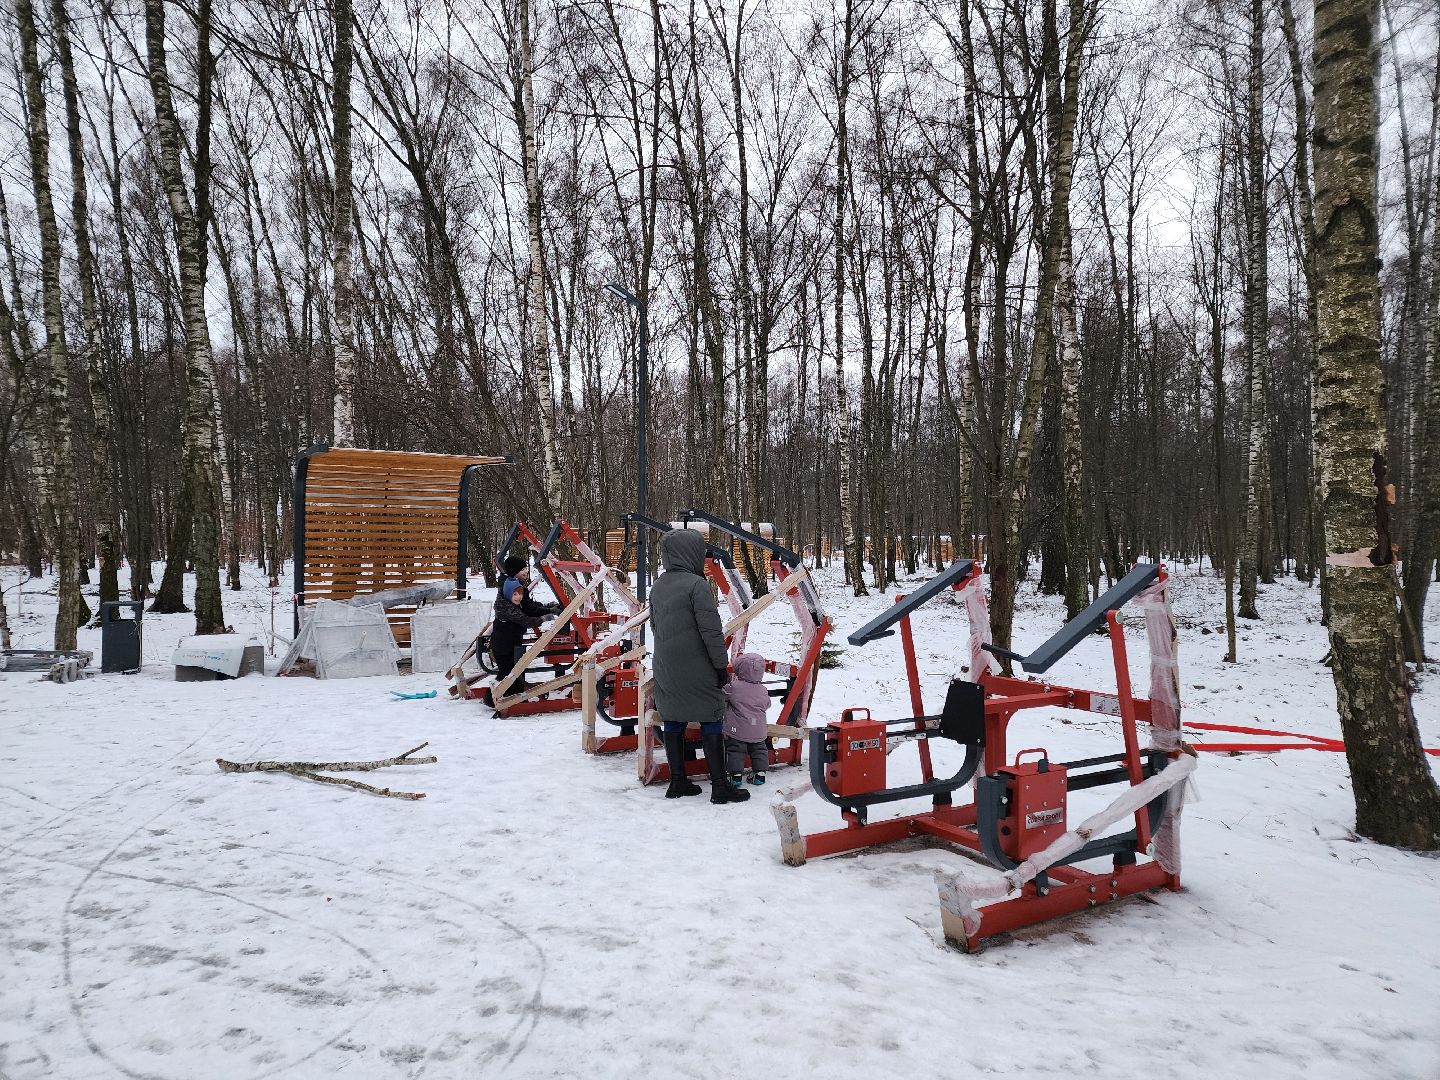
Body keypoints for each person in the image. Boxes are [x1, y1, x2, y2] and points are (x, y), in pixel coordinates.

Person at [648, 528, 749, 803]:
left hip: (666, 666)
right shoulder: (697, 585)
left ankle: (678, 781)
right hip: (698, 666)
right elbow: (711, 631)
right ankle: (720, 785)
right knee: (711, 718)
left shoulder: (658, 585)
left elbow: (655, 626)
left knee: (673, 719)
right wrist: (720, 667)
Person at [489, 555, 560, 692]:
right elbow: (527, 613)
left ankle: (504, 695)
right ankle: (500, 697)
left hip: (509, 639)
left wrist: (547, 607)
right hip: (505, 642)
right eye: (523, 570)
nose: (526, 573)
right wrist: (547, 614)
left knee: (512, 671)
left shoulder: (510, 585)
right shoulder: (510, 594)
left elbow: (527, 605)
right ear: (514, 571)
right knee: (509, 672)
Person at [722, 652, 771, 786]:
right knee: (760, 751)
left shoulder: (734, 687)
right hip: (758, 730)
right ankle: (760, 775)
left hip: (738, 729)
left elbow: (722, 696)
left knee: (735, 751)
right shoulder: (763, 689)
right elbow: (767, 704)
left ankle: (736, 777)